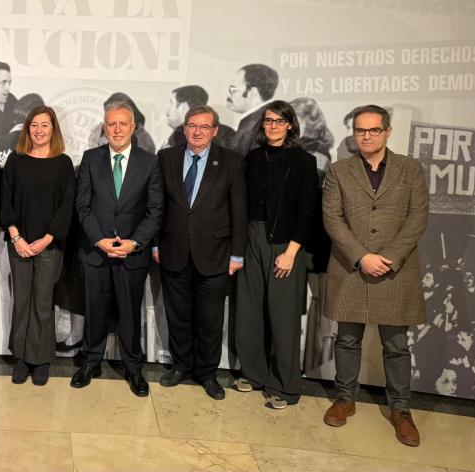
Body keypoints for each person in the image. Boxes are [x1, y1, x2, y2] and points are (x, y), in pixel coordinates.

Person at [321, 104, 429, 447]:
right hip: (351, 267)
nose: (366, 136)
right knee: (346, 339)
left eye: (373, 130)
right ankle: (345, 398)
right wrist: (362, 256)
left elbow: (417, 220)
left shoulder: (411, 169)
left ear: (387, 131)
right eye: (360, 130)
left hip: (395, 272)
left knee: (397, 346)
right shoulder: (339, 170)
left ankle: (401, 409)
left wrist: (388, 257)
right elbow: (332, 218)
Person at [155, 105, 247, 399]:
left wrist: (237, 255)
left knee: (209, 320)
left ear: (215, 131)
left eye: (204, 127)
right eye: (192, 125)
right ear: (184, 128)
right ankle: (181, 366)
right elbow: (158, 206)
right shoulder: (166, 158)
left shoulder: (230, 161)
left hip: (217, 255)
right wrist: (155, 243)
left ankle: (207, 373)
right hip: (173, 250)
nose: (197, 131)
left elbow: (239, 212)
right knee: (178, 316)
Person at [73, 101, 163, 397]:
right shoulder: (90, 158)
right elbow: (82, 206)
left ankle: (133, 368)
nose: (117, 129)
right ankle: (91, 362)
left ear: (133, 127)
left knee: (129, 315)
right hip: (95, 253)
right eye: (111, 124)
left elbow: (154, 211)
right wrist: (99, 240)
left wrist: (133, 243)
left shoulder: (149, 162)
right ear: (104, 128)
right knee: (94, 312)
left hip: (131, 255)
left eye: (123, 124)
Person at [233, 100, 318, 409]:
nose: (273, 126)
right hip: (251, 238)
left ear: (290, 126)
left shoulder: (304, 161)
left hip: (285, 244)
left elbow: (307, 210)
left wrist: (292, 252)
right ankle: (253, 374)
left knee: (282, 318)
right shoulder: (252, 158)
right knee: (249, 311)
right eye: (268, 121)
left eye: (279, 122)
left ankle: (285, 386)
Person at [0, 106, 75, 385]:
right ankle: (21, 358)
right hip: (18, 243)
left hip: (49, 245)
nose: (39, 130)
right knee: (22, 301)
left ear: (53, 129)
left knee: (43, 303)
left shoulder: (63, 163)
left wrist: (47, 238)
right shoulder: (16, 161)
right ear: (27, 129)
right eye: (34, 125)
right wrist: (16, 237)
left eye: (45, 125)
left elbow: (67, 205)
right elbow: (5, 200)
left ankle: (40, 360)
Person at [225, 64, 279, 155]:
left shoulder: (252, 130)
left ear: (252, 92)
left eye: (233, 89)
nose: (228, 95)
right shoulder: (274, 119)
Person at [163, 86, 235, 150]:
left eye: (171, 103)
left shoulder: (181, 134)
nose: (167, 112)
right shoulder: (228, 132)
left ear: (183, 107)